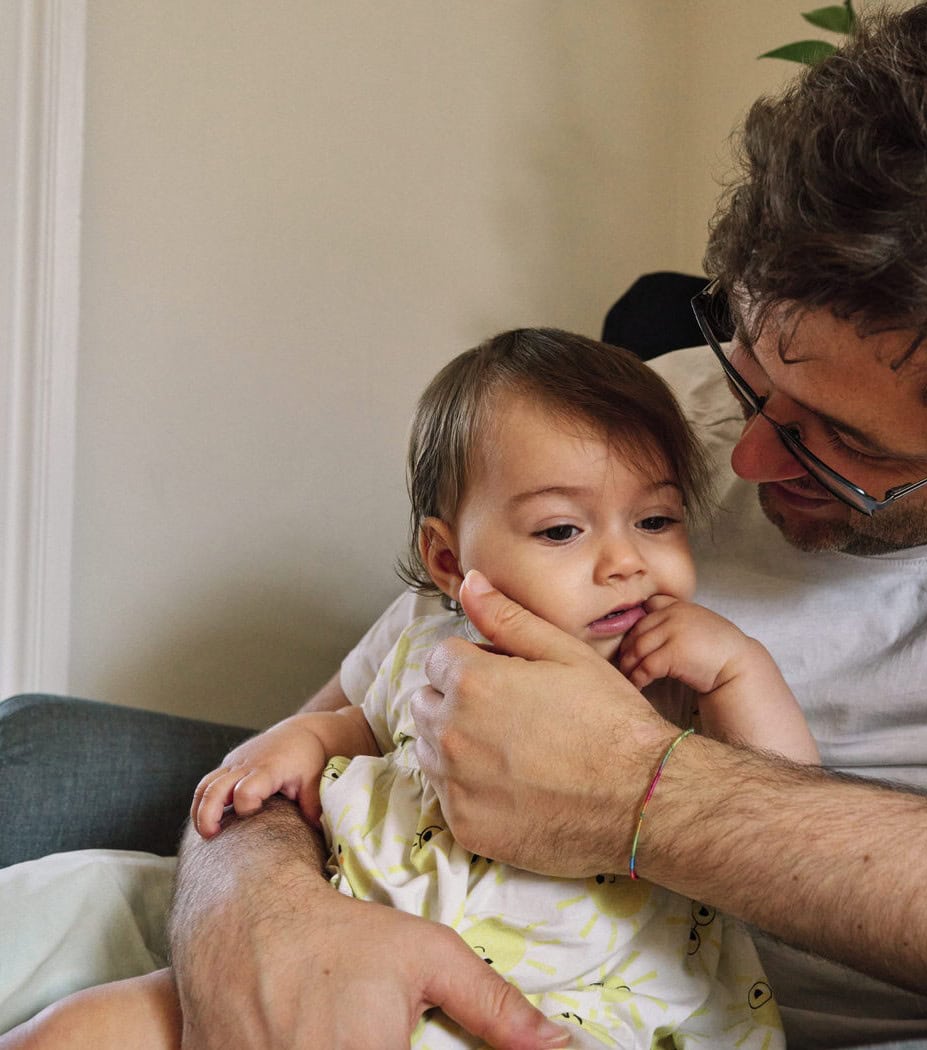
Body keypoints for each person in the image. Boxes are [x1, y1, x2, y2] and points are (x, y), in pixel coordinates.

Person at [3, 0, 927, 1047]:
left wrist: (647, 796)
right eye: (751, 367)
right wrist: (257, 909)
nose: (738, 454)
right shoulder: (632, 436)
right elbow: (352, 711)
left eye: (841, 443)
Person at [2, 329, 817, 1050]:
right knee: (72, 1029)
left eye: (656, 521)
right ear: (448, 561)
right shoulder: (429, 642)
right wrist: (299, 742)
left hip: (569, 1005)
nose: (625, 562)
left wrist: (738, 669)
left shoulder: (665, 675)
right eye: (561, 530)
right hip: (337, 950)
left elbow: (780, 811)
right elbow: (357, 724)